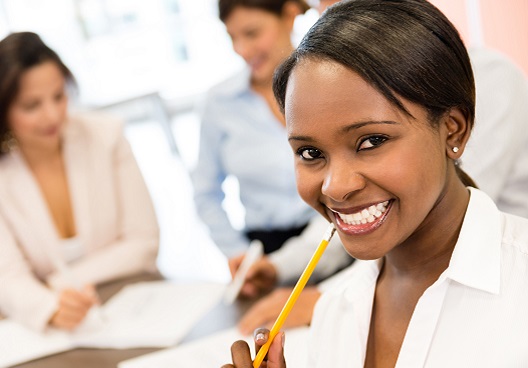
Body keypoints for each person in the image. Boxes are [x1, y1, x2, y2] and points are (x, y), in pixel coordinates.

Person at [221, 0, 528, 368]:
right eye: (310, 152)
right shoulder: (337, 309)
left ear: (453, 129)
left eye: (371, 142)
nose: (335, 187)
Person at [0, 32, 160, 332]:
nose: (52, 115)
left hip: (136, 303)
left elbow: (144, 242)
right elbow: (6, 274)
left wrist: (61, 284)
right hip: (56, 328)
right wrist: (49, 307)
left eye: (59, 96)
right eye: (31, 105)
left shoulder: (106, 136)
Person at [191, 0, 352, 286]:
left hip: (341, 238)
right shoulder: (220, 104)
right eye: (232, 37)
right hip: (264, 258)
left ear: (289, 15)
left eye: (251, 33)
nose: (241, 49)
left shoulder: (335, 86)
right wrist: (238, 254)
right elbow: (205, 194)